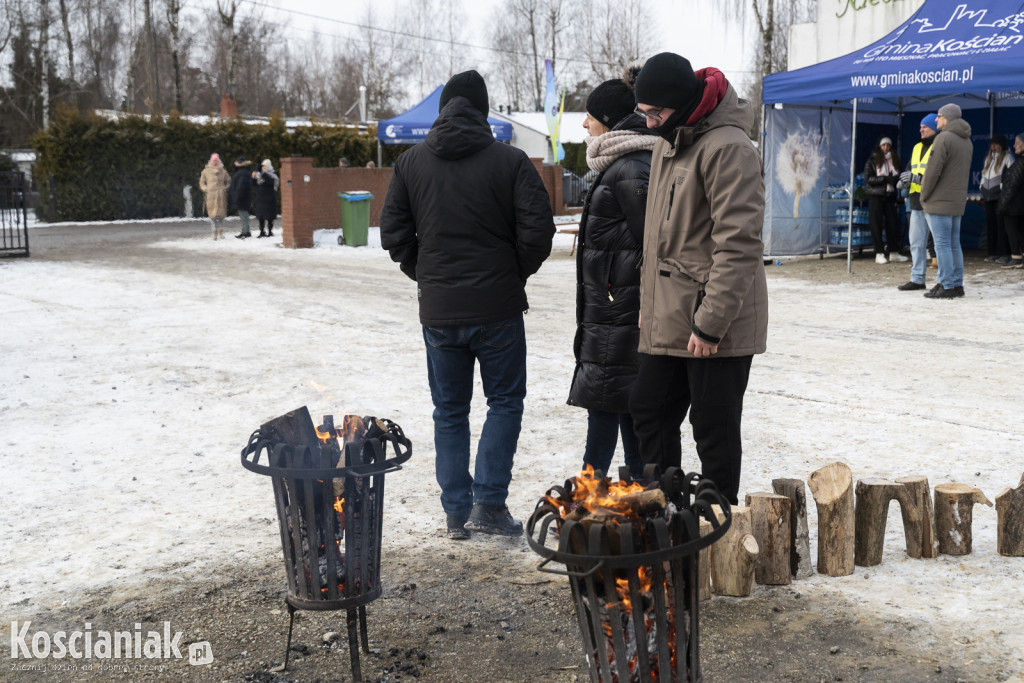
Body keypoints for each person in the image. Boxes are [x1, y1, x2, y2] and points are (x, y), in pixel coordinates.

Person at [379, 70, 555, 539]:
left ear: (443, 110)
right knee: (504, 402)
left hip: (440, 311)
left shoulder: (410, 163)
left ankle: (457, 512)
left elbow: (393, 233)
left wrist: (428, 275)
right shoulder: (511, 161)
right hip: (497, 308)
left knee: (450, 411)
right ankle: (489, 505)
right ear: (482, 110)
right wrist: (512, 274)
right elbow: (539, 231)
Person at [629, 52, 768, 505]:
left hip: (717, 322)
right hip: (670, 313)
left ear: (684, 103)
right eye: (644, 113)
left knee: (713, 429)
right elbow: (658, 239)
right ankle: (664, 513)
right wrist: (649, 307)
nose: (649, 123)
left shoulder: (729, 147)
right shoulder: (668, 141)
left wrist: (710, 323)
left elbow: (740, 243)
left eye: (656, 113)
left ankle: (717, 526)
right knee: (649, 409)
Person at [566, 67, 656, 481]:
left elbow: (656, 245)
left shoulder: (631, 167)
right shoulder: (621, 162)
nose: (584, 124)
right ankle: (641, 497)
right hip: (613, 314)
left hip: (621, 316)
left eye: (589, 116)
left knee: (607, 410)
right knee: (624, 410)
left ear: (608, 120)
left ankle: (589, 500)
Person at [920, 103, 973, 299]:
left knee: (941, 244)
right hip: (956, 201)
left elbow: (932, 172)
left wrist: (924, 194)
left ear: (948, 118)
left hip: (939, 200)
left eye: (939, 116)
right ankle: (956, 283)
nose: (936, 119)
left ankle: (946, 284)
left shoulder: (943, 138)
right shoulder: (967, 141)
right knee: (953, 244)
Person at [896, 114, 939, 291]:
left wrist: (916, 178)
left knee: (940, 244)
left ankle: (944, 281)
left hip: (933, 202)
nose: (921, 130)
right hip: (915, 203)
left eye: (925, 127)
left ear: (934, 128)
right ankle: (917, 279)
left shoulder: (939, 147)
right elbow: (909, 170)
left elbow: (937, 176)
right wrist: (903, 181)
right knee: (916, 243)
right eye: (920, 127)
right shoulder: (916, 148)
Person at [864, 137, 907, 264]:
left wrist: (896, 180)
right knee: (876, 225)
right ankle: (879, 252)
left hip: (890, 195)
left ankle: (893, 251)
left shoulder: (894, 160)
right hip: (876, 195)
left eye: (888, 145)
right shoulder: (872, 160)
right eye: (883, 145)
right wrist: (885, 179)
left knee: (892, 224)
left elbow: (900, 175)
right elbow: (869, 179)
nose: (886, 148)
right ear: (879, 146)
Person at [981, 134, 1014, 263]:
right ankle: (992, 252)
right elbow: (984, 175)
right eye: (992, 144)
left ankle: (1004, 253)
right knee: (991, 225)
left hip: (1000, 197)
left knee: (1002, 226)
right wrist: (982, 187)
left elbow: (1011, 176)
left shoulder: (1008, 158)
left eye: (996, 144)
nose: (993, 147)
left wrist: (1002, 189)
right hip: (988, 196)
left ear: (1002, 145)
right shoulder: (988, 159)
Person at [997, 133, 1024, 269]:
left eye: (1017, 143)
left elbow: (1012, 186)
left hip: (1014, 205)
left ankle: (1016, 257)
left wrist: (1003, 205)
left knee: (1012, 230)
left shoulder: (1020, 163)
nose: (1014, 146)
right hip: (1018, 205)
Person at [199, 153, 231, 240]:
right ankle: (214, 233)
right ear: (211, 161)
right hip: (211, 196)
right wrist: (205, 188)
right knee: (212, 215)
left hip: (221, 195)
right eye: (214, 160)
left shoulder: (223, 171)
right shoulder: (206, 171)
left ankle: (221, 232)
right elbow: (202, 182)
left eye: (216, 160)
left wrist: (225, 188)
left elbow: (228, 181)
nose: (215, 162)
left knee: (221, 215)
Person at [253, 158, 279, 238]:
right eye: (262, 166)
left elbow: (270, 182)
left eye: (265, 166)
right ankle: (262, 231)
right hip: (261, 198)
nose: (263, 167)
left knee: (270, 216)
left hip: (269, 197)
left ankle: (270, 231)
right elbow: (254, 184)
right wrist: (253, 177)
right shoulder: (259, 174)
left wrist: (262, 173)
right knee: (261, 215)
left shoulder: (272, 174)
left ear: (269, 166)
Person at [229, 156, 254, 239]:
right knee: (243, 214)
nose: (234, 163)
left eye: (236, 162)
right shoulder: (243, 171)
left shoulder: (242, 173)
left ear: (240, 163)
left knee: (243, 215)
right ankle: (245, 231)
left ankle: (246, 232)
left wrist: (237, 197)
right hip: (243, 197)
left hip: (242, 197)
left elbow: (241, 186)